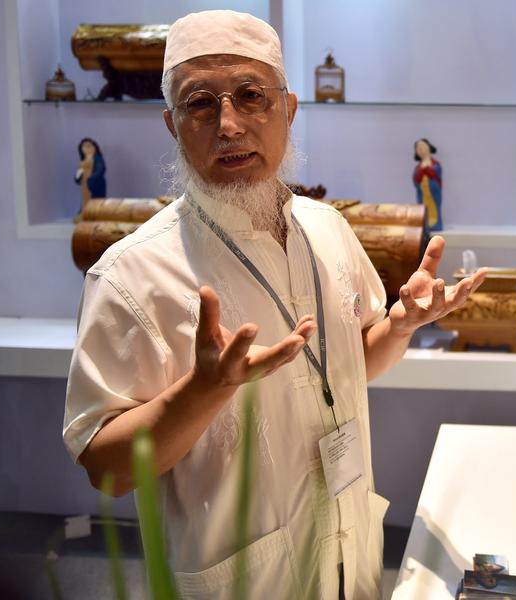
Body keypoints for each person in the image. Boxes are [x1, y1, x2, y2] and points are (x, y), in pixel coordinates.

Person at [62, 10, 485, 600]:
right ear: (171, 124)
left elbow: (349, 366)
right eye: (200, 104)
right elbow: (104, 470)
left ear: (286, 109)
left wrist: (399, 324)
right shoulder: (131, 274)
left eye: (249, 95)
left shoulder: (328, 229)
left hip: (348, 554)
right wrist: (204, 390)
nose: (228, 124)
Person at [412, 138, 443, 231]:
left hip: (433, 193)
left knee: (434, 208)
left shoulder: (435, 164)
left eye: (422, 146)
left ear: (429, 147)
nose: (420, 149)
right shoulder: (418, 167)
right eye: (418, 148)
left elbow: (436, 174)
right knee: (423, 209)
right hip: (423, 193)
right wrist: (421, 170)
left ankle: (436, 224)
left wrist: (427, 169)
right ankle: (425, 224)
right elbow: (416, 179)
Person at [74, 137, 106, 214]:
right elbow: (79, 172)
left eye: (89, 146)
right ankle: (84, 212)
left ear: (94, 147)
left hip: (96, 184)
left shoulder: (97, 158)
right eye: (84, 146)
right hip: (85, 185)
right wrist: (78, 177)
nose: (87, 148)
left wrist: (92, 179)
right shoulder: (83, 161)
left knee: (97, 202)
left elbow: (100, 169)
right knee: (86, 200)